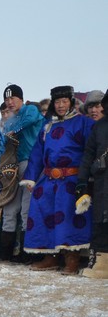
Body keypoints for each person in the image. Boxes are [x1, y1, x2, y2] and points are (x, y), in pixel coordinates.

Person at [20, 85, 94, 274]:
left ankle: (72, 259)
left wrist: (86, 177)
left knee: (69, 217)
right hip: (48, 179)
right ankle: (50, 256)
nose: (60, 106)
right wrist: (31, 178)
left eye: (64, 101)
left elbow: (90, 150)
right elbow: (37, 153)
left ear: (71, 102)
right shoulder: (47, 126)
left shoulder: (83, 123)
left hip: (71, 178)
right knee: (43, 214)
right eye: (57, 102)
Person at [0, 84, 44, 262]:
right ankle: (5, 252)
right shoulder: (11, 119)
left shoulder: (29, 110)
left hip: (33, 163)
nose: (9, 102)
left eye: (12, 98)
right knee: (10, 207)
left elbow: (27, 121)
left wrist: (12, 129)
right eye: (6, 99)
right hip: (15, 165)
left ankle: (26, 253)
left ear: (21, 99)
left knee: (26, 209)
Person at [76, 89, 108, 277]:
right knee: (102, 220)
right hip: (103, 181)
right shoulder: (100, 127)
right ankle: (102, 265)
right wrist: (81, 180)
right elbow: (88, 155)